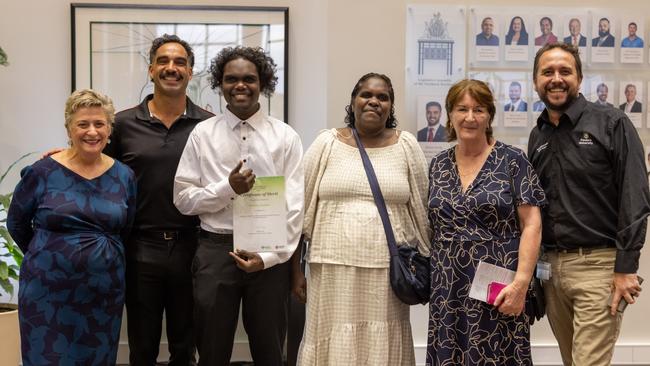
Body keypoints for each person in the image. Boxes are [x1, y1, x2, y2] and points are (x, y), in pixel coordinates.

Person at [173, 46, 304, 366]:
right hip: (216, 251)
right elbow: (182, 199)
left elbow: (295, 207)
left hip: (268, 255)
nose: (240, 85)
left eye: (249, 78)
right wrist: (226, 189)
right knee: (212, 350)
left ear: (264, 83)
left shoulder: (285, 137)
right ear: (221, 83)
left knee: (271, 351)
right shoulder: (202, 134)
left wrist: (270, 258)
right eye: (231, 79)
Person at [293, 72, 430, 365]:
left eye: (383, 97)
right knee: (332, 338)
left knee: (381, 343)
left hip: (388, 269)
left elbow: (422, 210)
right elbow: (299, 209)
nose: (374, 101)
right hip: (331, 267)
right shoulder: (326, 143)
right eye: (366, 94)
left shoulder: (406, 146)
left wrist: (432, 264)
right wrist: (294, 270)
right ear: (353, 101)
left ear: (391, 107)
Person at [529, 42, 650, 366]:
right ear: (536, 81)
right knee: (574, 361)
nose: (556, 78)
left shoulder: (611, 123)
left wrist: (627, 267)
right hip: (551, 272)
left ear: (579, 80)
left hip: (599, 267)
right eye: (548, 72)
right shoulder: (537, 136)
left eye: (565, 71)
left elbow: (635, 195)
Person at [105, 34, 214, 366]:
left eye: (180, 62)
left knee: (185, 346)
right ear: (151, 69)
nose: (172, 68)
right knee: (142, 347)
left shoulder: (208, 125)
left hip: (193, 246)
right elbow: (95, 166)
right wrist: (62, 157)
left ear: (191, 72)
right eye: (164, 61)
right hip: (140, 248)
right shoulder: (122, 124)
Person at [7, 89, 136, 365]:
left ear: (110, 128)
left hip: (103, 293)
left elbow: (126, 227)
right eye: (83, 124)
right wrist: (50, 252)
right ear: (68, 128)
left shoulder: (124, 176)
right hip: (47, 293)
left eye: (99, 124)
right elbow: (16, 223)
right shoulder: (41, 172)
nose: (92, 131)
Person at [427, 79, 545, 365]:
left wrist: (520, 285)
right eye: (461, 109)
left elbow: (532, 225)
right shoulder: (438, 164)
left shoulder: (512, 160)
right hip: (448, 286)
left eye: (479, 110)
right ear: (450, 115)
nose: (470, 117)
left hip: (498, 286)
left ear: (489, 116)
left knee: (496, 355)